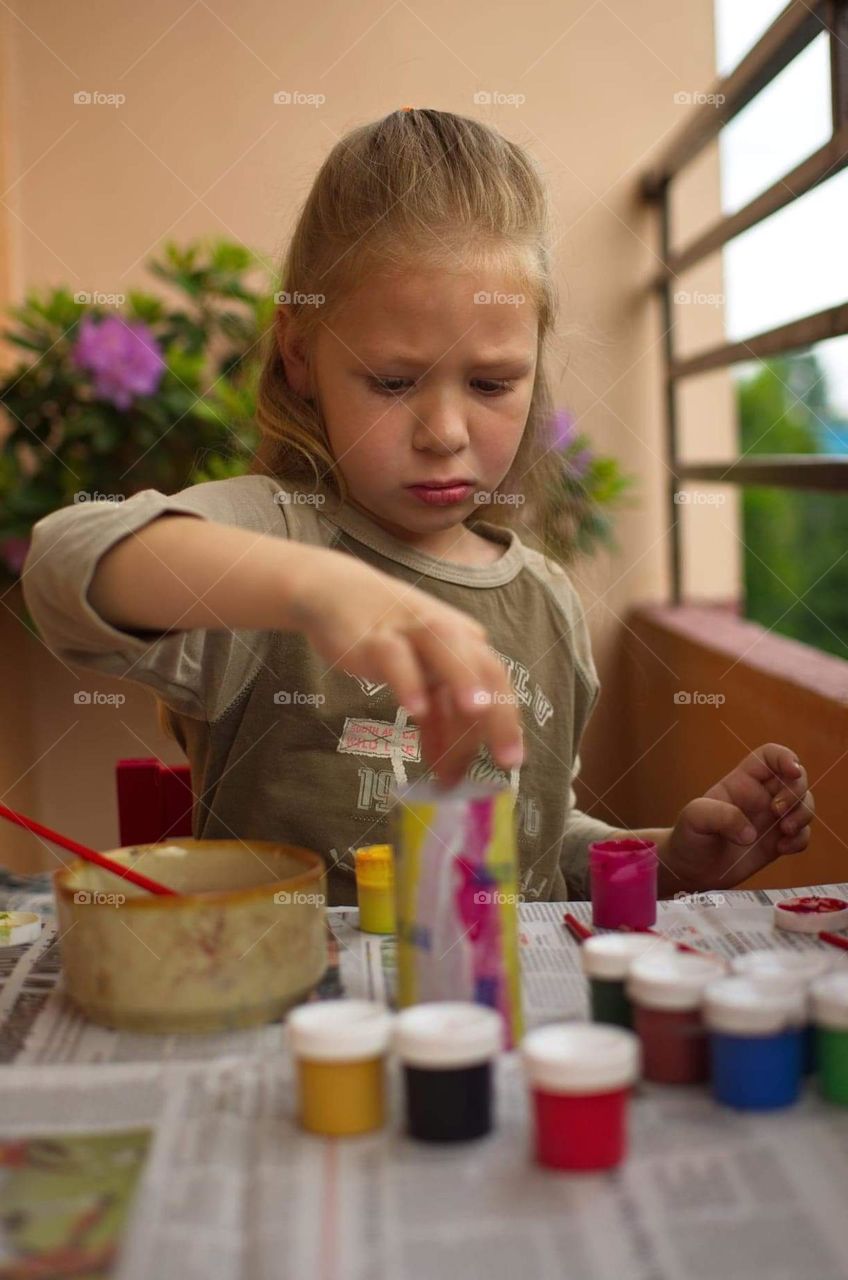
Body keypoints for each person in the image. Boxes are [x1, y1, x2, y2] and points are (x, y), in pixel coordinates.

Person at [21, 109, 815, 906]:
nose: (443, 433)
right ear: (301, 357)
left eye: (492, 383)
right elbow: (62, 563)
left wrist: (671, 862)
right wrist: (316, 589)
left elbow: (539, 832)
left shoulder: (546, 603)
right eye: (393, 382)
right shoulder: (271, 535)